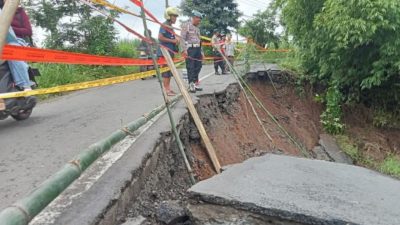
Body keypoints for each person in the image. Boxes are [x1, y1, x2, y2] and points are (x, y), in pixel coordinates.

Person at [0, 2, 33, 91]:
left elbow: (28, 31)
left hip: (17, 41)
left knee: (12, 49)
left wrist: (7, 27)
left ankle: (26, 86)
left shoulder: (19, 12)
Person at [157, 7, 179, 96]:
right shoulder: (164, 25)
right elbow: (160, 37)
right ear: (169, 16)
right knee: (166, 71)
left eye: (176, 16)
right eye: (174, 16)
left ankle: (168, 88)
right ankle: (166, 89)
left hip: (170, 52)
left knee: (170, 71)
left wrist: (176, 39)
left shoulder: (171, 27)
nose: (175, 18)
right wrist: (173, 41)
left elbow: (173, 37)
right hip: (164, 52)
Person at [180, 10, 204, 93]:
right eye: (198, 20)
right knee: (191, 67)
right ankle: (191, 85)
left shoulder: (197, 28)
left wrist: (202, 52)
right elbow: (182, 38)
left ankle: (195, 83)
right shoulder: (186, 25)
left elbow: (199, 40)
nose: (199, 21)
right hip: (190, 49)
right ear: (194, 18)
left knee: (198, 66)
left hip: (197, 49)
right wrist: (184, 50)